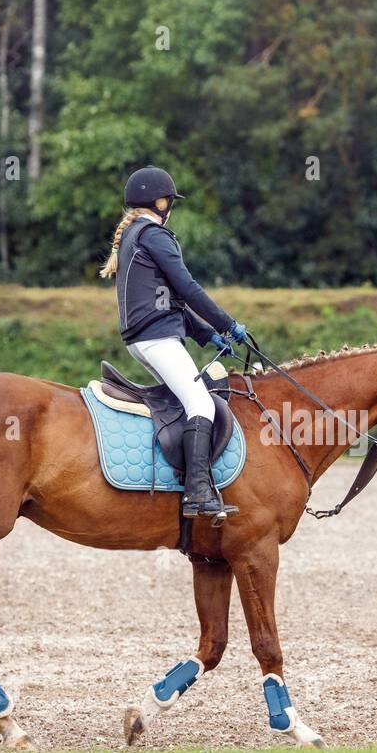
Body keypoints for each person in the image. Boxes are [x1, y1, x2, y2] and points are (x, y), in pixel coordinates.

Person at [99, 166, 248, 518]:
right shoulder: (154, 234)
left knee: (192, 398)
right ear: (161, 201)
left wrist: (207, 335)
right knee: (202, 403)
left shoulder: (135, 234)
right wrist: (227, 324)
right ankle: (197, 493)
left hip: (145, 338)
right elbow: (188, 288)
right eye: (170, 201)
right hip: (157, 339)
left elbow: (170, 301)